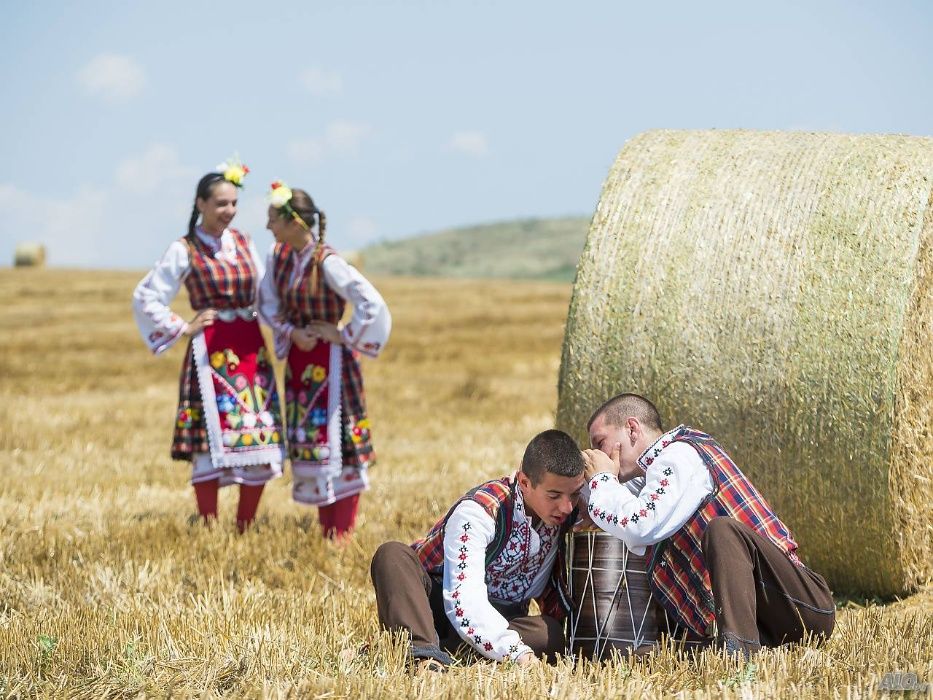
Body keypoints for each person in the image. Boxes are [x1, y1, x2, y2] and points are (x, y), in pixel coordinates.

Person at [581, 393, 835, 657]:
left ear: (632, 428)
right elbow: (619, 508)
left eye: (601, 443)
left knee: (722, 530)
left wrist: (601, 480)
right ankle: (738, 646)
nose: (600, 454)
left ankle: (739, 655)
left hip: (800, 610)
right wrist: (582, 490)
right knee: (649, 656)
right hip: (763, 627)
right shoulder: (649, 480)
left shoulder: (679, 455)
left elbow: (639, 523)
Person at [133, 156, 285, 533]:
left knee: (258, 432)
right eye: (221, 204)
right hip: (210, 352)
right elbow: (147, 296)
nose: (229, 211)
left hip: (250, 348)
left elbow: (266, 295)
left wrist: (288, 326)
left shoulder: (244, 243)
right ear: (200, 204)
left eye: (233, 203)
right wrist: (183, 326)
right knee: (207, 441)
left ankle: (245, 525)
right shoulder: (184, 249)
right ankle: (207, 523)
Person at [370, 429, 584, 671]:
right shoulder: (479, 512)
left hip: (503, 619)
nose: (567, 507)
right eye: (554, 495)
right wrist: (517, 653)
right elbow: (464, 602)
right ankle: (423, 654)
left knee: (551, 634)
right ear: (524, 482)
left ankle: (452, 650)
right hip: (435, 608)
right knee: (392, 555)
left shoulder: (565, 514)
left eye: (575, 494)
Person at [258, 181, 390, 538]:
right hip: (302, 363)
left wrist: (344, 334)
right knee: (313, 441)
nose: (268, 227)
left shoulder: (328, 262)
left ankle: (341, 531)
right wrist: (289, 331)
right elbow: (267, 303)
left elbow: (371, 303)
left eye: (273, 219)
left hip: (332, 363)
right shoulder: (278, 257)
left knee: (342, 442)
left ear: (295, 223)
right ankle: (326, 529)